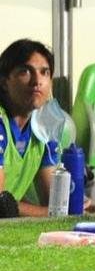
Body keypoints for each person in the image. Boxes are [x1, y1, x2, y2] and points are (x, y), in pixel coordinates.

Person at [0, 40, 61, 217]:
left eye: (44, 72)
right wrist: (52, 212)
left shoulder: (47, 123)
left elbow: (53, 199)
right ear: (4, 82)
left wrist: (78, 207)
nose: (37, 81)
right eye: (25, 71)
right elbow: (1, 204)